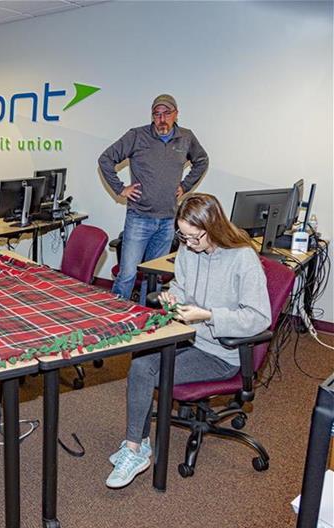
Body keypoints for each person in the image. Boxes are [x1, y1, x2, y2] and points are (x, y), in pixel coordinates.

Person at [106, 193, 271, 489]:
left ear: (214, 228)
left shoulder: (242, 258)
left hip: (222, 351)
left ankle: (134, 448)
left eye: (195, 237)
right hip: (189, 337)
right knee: (141, 362)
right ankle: (137, 446)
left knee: (150, 371)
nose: (189, 243)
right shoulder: (188, 248)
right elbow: (182, 286)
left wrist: (207, 315)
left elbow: (259, 318)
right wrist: (174, 296)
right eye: (183, 236)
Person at [99, 94, 209, 301]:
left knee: (155, 277)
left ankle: (146, 318)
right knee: (128, 275)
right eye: (156, 114)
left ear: (176, 114)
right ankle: (115, 317)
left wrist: (185, 186)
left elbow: (202, 161)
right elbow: (106, 159)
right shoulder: (137, 136)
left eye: (167, 113)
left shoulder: (186, 138)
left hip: (168, 218)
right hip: (139, 217)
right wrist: (120, 189)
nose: (161, 119)